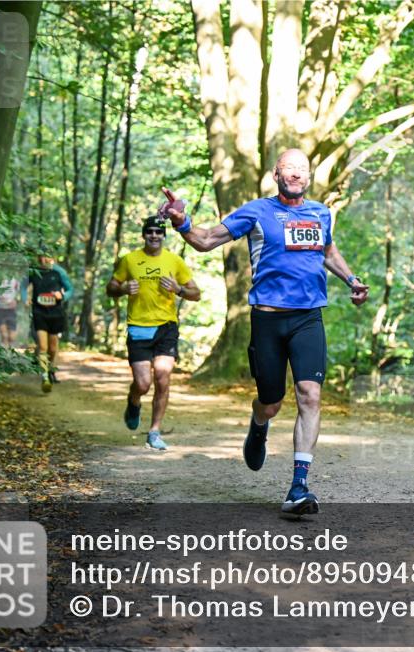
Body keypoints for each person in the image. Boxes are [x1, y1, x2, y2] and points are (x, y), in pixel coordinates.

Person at [160, 148, 369, 514]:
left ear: (308, 177)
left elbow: (327, 250)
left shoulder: (320, 213)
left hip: (308, 318)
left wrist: (351, 279)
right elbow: (206, 240)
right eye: (289, 168)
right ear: (277, 174)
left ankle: (298, 486)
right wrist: (181, 221)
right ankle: (259, 424)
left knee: (309, 395)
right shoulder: (256, 212)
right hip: (268, 320)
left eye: (302, 170)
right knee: (271, 403)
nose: (296, 175)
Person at [105, 215, 201, 451]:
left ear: (164, 236)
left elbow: (196, 293)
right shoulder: (129, 260)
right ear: (144, 235)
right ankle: (134, 401)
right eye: (150, 232)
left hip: (166, 327)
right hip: (138, 326)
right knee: (143, 383)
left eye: (159, 232)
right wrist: (123, 288)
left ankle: (154, 431)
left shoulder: (174, 261)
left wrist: (178, 289)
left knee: (162, 377)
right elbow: (111, 287)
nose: (154, 236)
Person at [24, 252, 73, 393]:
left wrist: (62, 295)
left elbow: (70, 289)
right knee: (43, 346)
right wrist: (24, 298)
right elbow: (22, 286)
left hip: (56, 314)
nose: (42, 260)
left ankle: (50, 369)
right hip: (39, 313)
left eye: (46, 257)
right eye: (40, 257)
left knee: (52, 348)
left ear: (52, 258)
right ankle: (45, 376)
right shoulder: (33, 272)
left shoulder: (59, 272)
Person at [0, 277, 20, 347]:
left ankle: (8, 351)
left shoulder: (15, 280)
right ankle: (4, 354)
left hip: (11, 310)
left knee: (12, 337)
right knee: (4, 335)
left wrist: (16, 301)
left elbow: (20, 293)